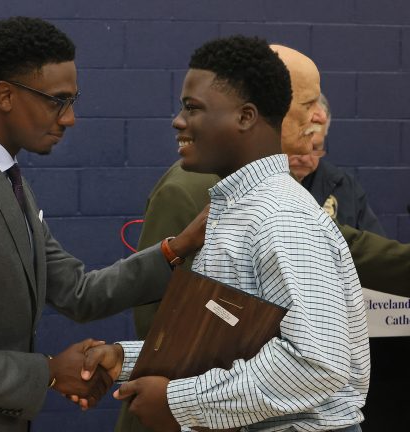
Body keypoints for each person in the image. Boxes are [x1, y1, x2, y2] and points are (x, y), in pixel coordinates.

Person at [0, 17, 205, 432]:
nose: (69, 118)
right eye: (58, 101)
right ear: (5, 95)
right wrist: (50, 371)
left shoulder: (2, 177)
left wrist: (176, 248)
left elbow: (78, 292)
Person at [88, 36, 369, 432]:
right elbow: (231, 344)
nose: (178, 121)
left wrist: (179, 400)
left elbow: (315, 364)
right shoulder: (238, 207)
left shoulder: (281, 216)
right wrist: (125, 359)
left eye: (193, 108)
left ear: (245, 117)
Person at [289, 93, 385, 235]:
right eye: (298, 147)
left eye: (315, 148)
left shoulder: (345, 187)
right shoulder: (258, 185)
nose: (304, 158)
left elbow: (374, 243)